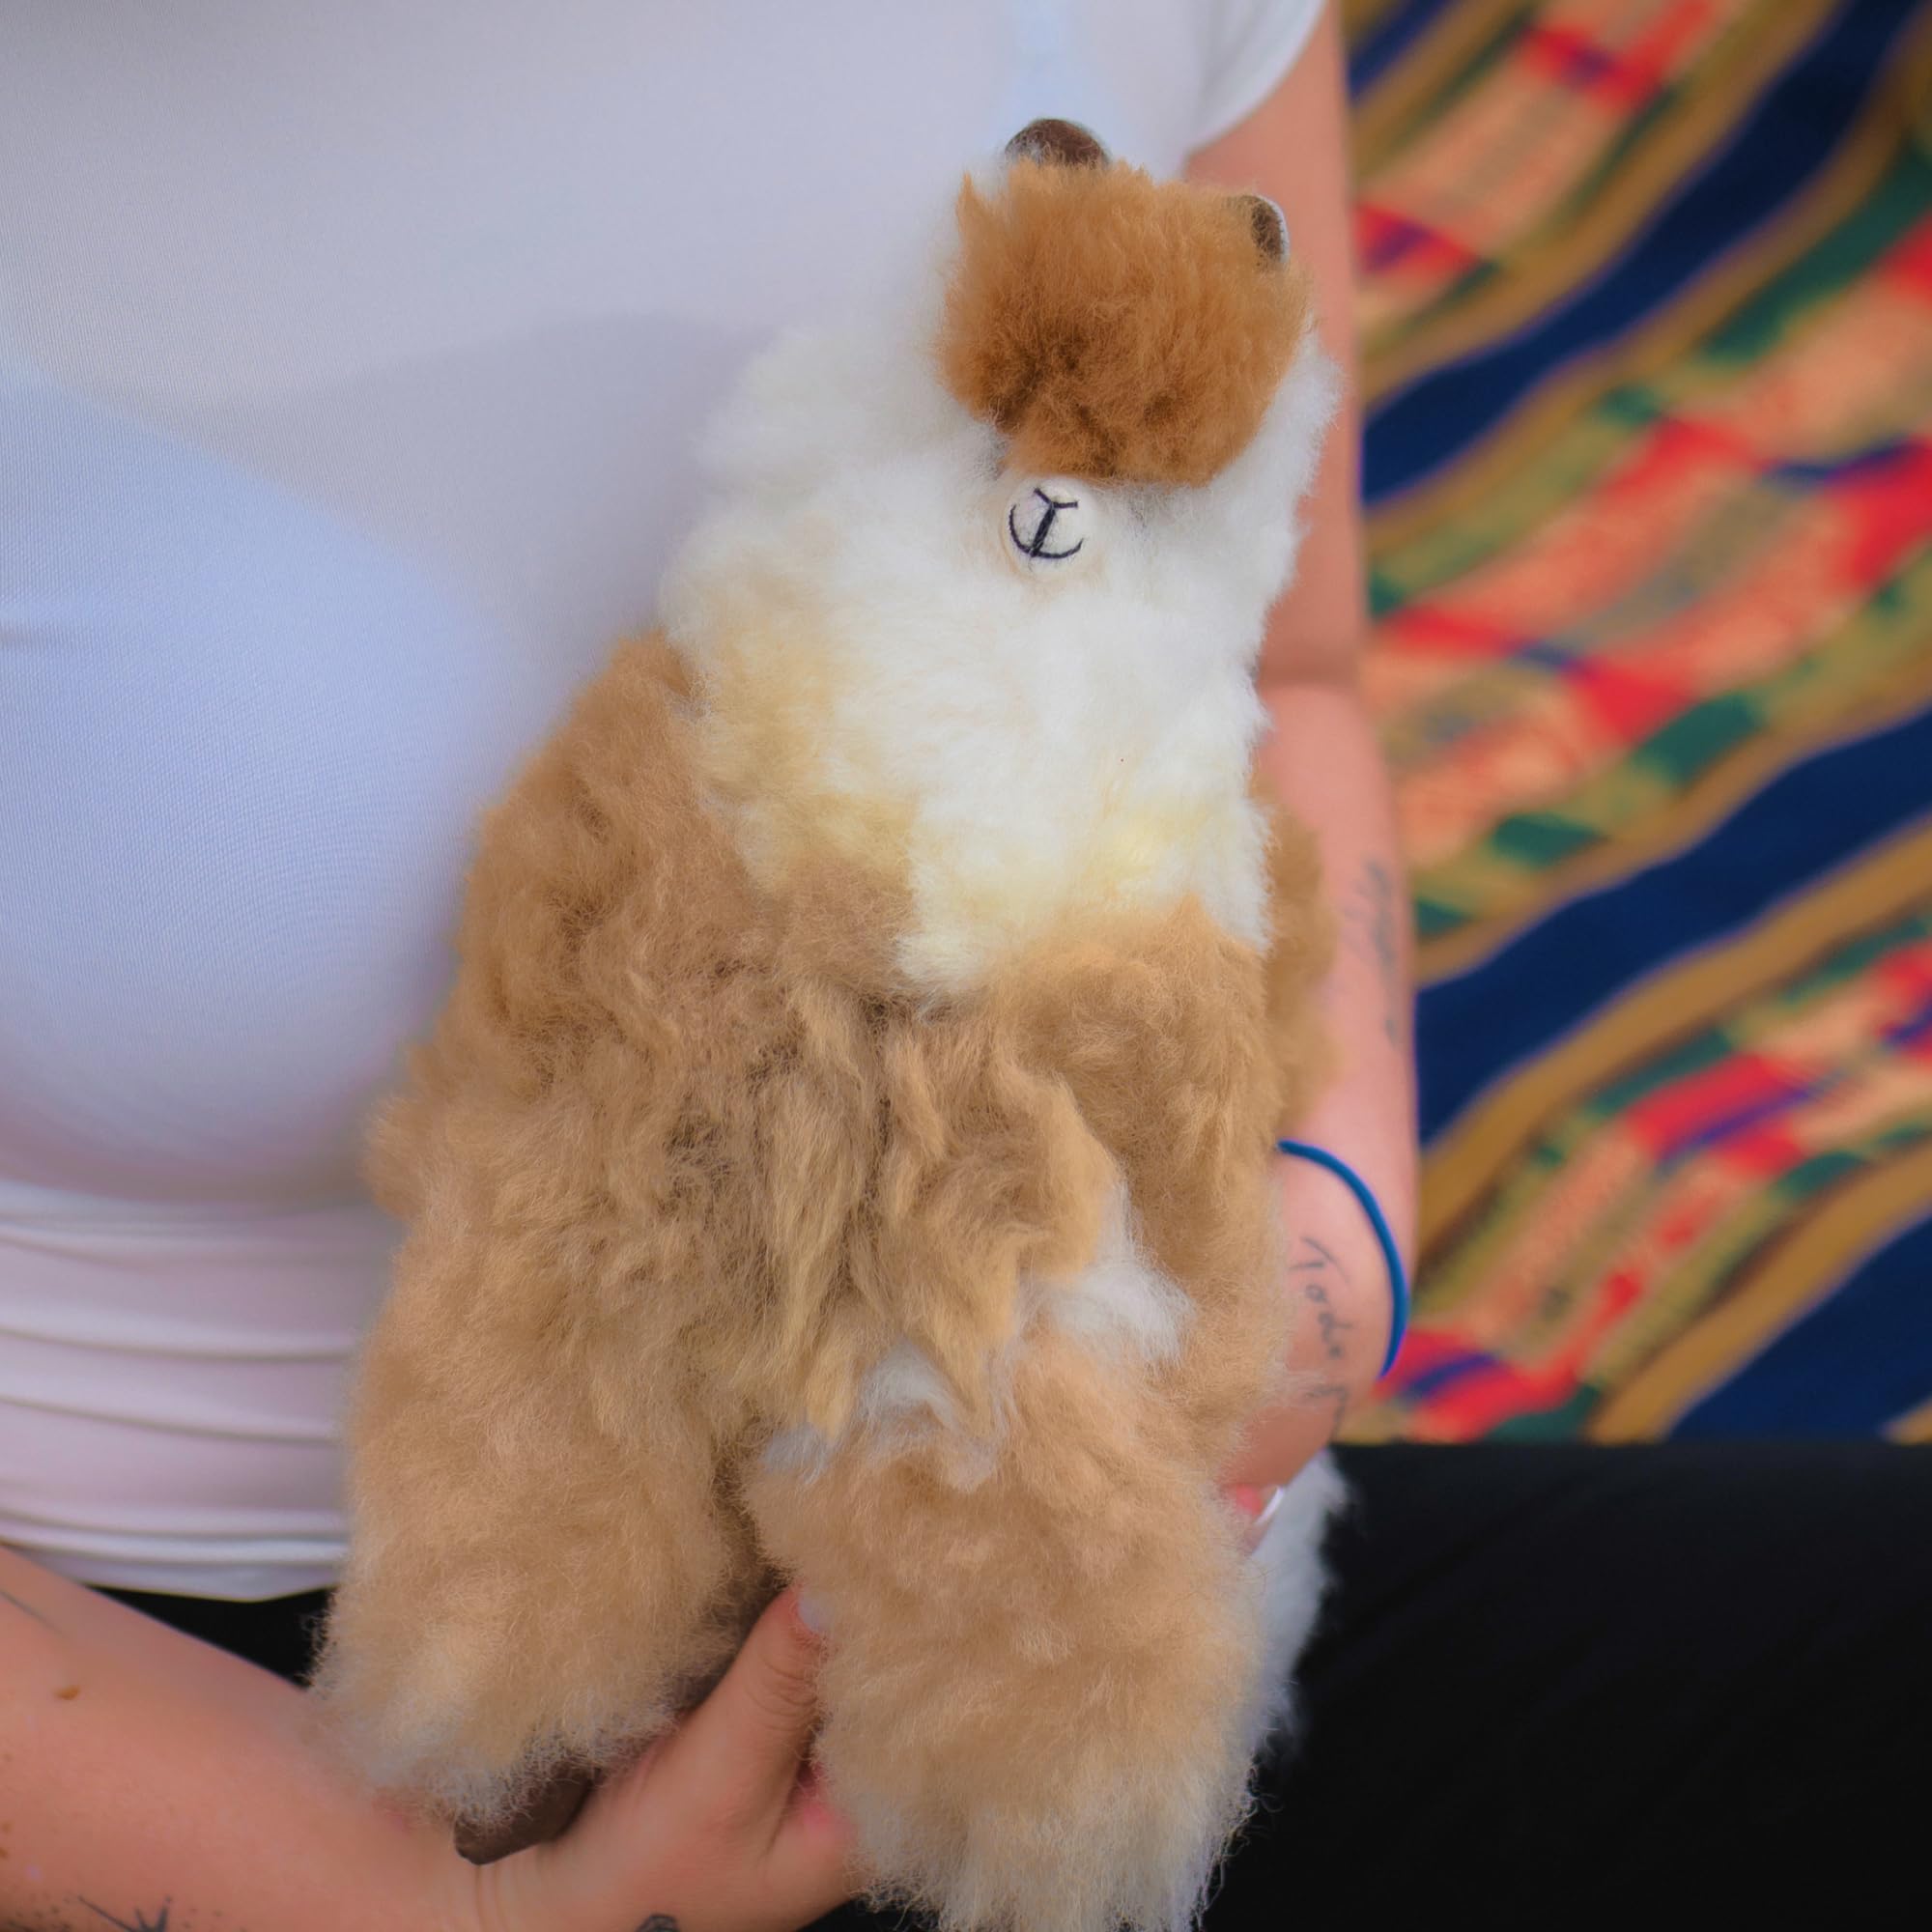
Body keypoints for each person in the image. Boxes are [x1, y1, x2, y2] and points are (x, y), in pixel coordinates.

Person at [3, 6, 1923, 1930]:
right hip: (201, 1740)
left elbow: (1284, 673)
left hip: (1011, 1582)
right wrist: (432, 1911)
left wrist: (1318, 1255)